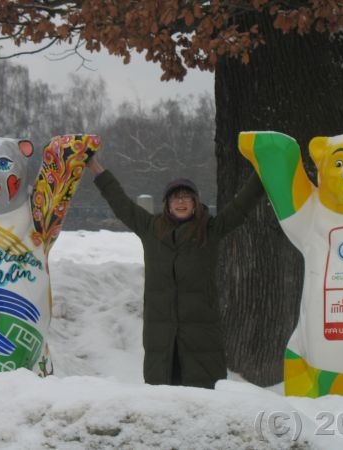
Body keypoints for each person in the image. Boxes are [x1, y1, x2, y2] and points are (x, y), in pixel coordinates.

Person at [86, 155, 264, 389]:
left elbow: (242, 205)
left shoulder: (210, 230)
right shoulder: (150, 228)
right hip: (160, 334)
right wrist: (94, 167)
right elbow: (120, 202)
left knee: (203, 398)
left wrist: (263, 169)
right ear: (167, 203)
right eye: (175, 197)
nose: (181, 202)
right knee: (162, 400)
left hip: (200, 334)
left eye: (187, 197)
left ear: (195, 202)